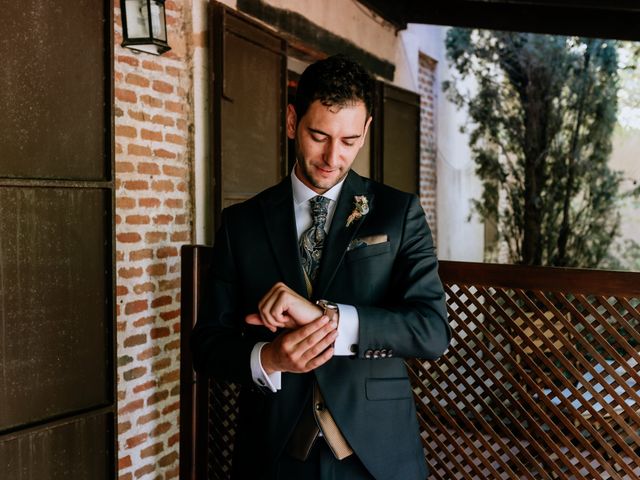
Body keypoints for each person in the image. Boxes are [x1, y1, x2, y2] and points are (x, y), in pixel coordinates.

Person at [191, 54, 450, 480]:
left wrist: (330, 320)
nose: (333, 157)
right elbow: (208, 345)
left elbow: (431, 331)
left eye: (349, 140)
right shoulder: (241, 224)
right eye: (318, 135)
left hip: (377, 455)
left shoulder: (398, 213)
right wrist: (268, 358)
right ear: (292, 122)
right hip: (274, 455)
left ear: (366, 131)